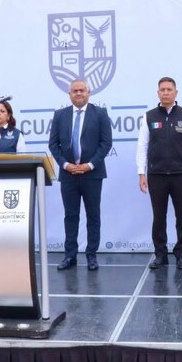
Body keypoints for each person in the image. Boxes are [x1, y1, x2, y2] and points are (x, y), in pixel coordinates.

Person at [136, 77, 182, 270]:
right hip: (156, 175)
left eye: (169, 89)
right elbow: (142, 146)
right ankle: (160, 254)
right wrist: (141, 173)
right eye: (162, 89)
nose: (165, 92)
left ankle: (181, 254)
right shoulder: (149, 116)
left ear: (176, 93)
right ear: (158, 93)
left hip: (181, 174)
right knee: (159, 216)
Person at [48, 79, 113, 271]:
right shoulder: (60, 115)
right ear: (69, 94)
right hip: (68, 175)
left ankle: (91, 256)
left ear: (88, 93)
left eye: (82, 90)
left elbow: (105, 143)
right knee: (71, 215)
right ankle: (70, 256)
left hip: (92, 174)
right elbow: (53, 145)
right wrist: (66, 165)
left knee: (93, 215)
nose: (78, 94)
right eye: (74, 91)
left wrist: (89, 165)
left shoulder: (100, 113)